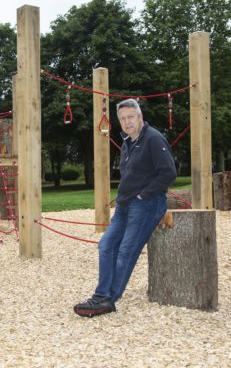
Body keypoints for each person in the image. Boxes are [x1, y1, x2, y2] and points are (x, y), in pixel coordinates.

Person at [74, 98, 177, 317]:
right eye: (122, 118)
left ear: (140, 117)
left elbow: (169, 173)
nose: (127, 122)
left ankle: (107, 299)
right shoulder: (128, 142)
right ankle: (101, 295)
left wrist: (143, 194)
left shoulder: (153, 138)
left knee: (126, 251)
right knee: (106, 245)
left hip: (146, 204)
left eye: (130, 117)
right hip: (125, 205)